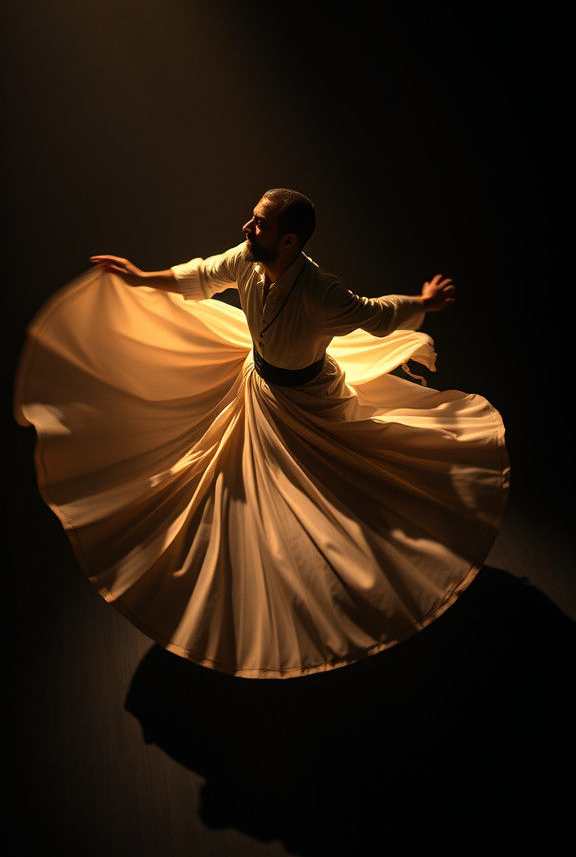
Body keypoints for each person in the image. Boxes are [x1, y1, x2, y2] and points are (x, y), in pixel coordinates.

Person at [14, 187, 509, 679]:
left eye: (260, 224)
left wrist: (422, 302)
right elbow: (204, 273)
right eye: (252, 219)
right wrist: (142, 278)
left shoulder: (319, 292)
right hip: (258, 387)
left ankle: (344, 585)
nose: (248, 229)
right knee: (245, 485)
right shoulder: (247, 260)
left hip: (310, 402)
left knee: (335, 491)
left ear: (290, 241)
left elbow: (376, 316)